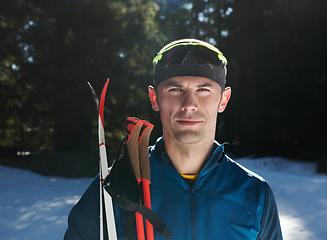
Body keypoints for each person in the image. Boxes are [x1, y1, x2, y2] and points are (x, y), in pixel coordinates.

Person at [64, 38, 283, 240]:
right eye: (175, 89)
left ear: (223, 100)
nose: (189, 103)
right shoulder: (117, 185)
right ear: (154, 98)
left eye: (203, 89)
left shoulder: (254, 193)